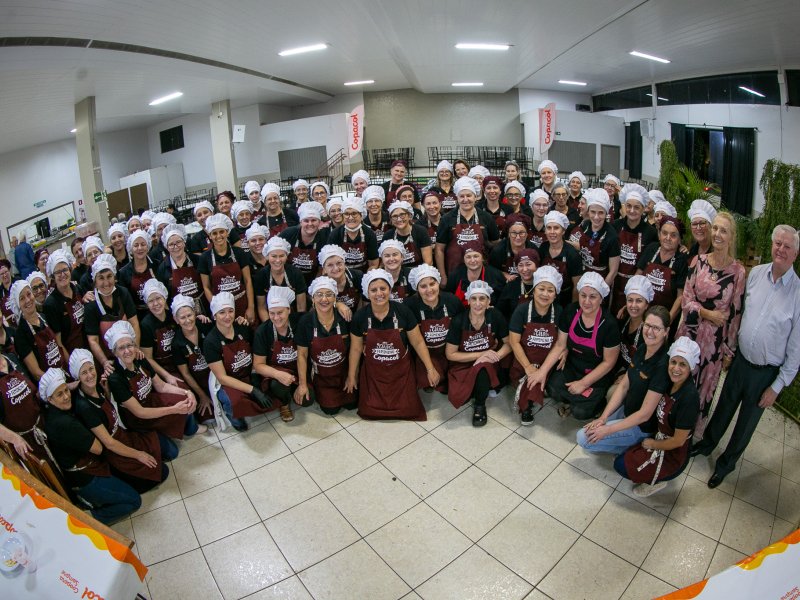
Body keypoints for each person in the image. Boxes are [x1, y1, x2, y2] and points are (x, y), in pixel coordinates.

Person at [692, 225, 800, 489]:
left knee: (745, 424)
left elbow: (797, 350)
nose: (781, 249)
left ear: (795, 254)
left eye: (787, 246)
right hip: (741, 361)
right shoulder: (756, 274)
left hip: (766, 373)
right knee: (724, 408)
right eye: (777, 243)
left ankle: (726, 465)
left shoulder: (798, 294)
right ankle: (707, 444)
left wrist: (777, 387)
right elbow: (739, 314)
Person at [40, 367, 142, 524]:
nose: (67, 396)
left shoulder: (54, 412)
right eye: (60, 394)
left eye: (66, 390)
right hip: (86, 478)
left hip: (88, 465)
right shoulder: (65, 423)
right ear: (49, 399)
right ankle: (89, 518)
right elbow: (98, 448)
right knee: (133, 500)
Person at [676, 211, 745, 437]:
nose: (717, 234)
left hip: (714, 342)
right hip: (690, 332)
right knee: (681, 380)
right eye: (715, 228)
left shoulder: (738, 272)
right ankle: (672, 425)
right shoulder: (699, 262)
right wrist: (708, 313)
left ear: (731, 237)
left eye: (723, 230)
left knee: (703, 387)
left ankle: (690, 434)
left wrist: (729, 350)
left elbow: (735, 314)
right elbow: (687, 299)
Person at [71, 349, 170, 493]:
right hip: (114, 449)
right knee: (162, 472)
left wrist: (106, 393)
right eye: (84, 372)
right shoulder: (85, 407)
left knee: (168, 452)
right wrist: (139, 455)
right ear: (77, 377)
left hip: (123, 435)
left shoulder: (99, 385)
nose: (90, 375)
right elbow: (109, 444)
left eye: (91, 369)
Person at [346, 269, 439, 420]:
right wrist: (352, 375)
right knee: (369, 411)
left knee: (410, 410)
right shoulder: (360, 316)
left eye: (383, 289)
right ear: (367, 293)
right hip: (373, 372)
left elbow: (418, 341)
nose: (379, 293)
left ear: (390, 289)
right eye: (373, 290)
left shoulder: (403, 311)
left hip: (401, 371)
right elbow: (356, 348)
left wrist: (430, 369)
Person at [578, 305, 671, 454]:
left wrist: (608, 430)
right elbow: (623, 387)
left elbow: (645, 414)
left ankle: (631, 448)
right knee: (591, 430)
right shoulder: (642, 349)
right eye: (647, 325)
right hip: (626, 410)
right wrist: (603, 417)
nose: (650, 332)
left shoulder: (662, 366)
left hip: (640, 425)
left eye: (656, 328)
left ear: (666, 332)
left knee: (583, 439)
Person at [615, 337, 701, 497]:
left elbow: (678, 441)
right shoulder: (670, 382)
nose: (676, 368)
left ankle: (659, 481)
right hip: (659, 436)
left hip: (673, 454)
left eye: (683, 364)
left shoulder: (689, 398)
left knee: (620, 465)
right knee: (623, 457)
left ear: (691, 367)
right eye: (673, 362)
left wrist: (654, 444)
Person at [529, 272, 621, 420]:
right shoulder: (571, 311)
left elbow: (608, 363)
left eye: (593, 297)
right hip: (573, 366)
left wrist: (584, 383)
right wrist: (542, 372)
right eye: (583, 295)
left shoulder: (609, 325)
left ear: (601, 298)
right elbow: (560, 345)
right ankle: (572, 399)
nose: (586, 301)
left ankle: (594, 403)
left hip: (595, 373)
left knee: (580, 413)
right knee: (552, 389)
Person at [106, 320, 202, 440]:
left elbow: (161, 386)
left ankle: (189, 429)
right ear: (114, 352)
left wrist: (188, 392)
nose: (127, 351)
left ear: (135, 346)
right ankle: (160, 433)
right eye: (121, 348)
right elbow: (140, 412)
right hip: (137, 419)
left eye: (129, 345)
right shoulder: (115, 378)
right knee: (172, 452)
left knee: (184, 396)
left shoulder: (140, 358)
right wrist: (174, 409)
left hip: (150, 400)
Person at [445, 280, 512, 426]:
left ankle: (480, 406)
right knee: (457, 396)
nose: (478, 303)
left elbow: (509, 343)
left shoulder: (495, 316)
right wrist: (481, 354)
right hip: (463, 364)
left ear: (488, 301)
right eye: (474, 299)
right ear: (468, 301)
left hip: (489, 363)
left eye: (482, 298)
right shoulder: (459, 320)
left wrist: (495, 356)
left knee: (482, 369)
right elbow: (450, 354)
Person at [204, 292, 272, 431]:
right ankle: (234, 417)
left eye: (230, 311)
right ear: (214, 315)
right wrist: (253, 390)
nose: (227, 316)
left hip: (248, 374)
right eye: (222, 312)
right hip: (228, 382)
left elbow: (255, 353)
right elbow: (222, 378)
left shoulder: (243, 327)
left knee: (271, 386)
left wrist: (254, 376)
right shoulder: (210, 342)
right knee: (233, 401)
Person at [294, 276, 357, 414]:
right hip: (321, 376)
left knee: (352, 404)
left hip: (343, 373)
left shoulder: (344, 318)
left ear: (335, 298)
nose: (324, 299)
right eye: (319, 295)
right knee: (330, 410)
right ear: (313, 298)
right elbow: (302, 355)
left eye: (329, 294)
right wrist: (303, 384)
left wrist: (351, 376)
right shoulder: (306, 322)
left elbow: (355, 349)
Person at [508, 266, 563, 425]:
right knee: (530, 380)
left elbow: (561, 342)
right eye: (541, 289)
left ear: (556, 293)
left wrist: (543, 369)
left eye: (550, 290)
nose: (545, 294)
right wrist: (528, 367)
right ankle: (527, 406)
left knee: (555, 385)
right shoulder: (522, 310)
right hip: (524, 360)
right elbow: (514, 341)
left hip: (548, 362)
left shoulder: (559, 311)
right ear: (534, 289)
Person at [406, 264, 462, 393]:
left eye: (432, 284)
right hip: (425, 353)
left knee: (456, 387)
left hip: (449, 351)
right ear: (417, 288)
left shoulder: (452, 301)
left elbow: (463, 325)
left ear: (438, 283)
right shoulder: (410, 306)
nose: (429, 289)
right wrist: (430, 368)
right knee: (426, 380)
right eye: (423, 286)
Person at [83, 254, 140, 374]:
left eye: (109, 276)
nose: (106, 282)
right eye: (101, 278)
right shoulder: (91, 305)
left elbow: (134, 323)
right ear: (95, 281)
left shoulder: (123, 293)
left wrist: (135, 348)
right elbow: (93, 340)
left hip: (130, 352)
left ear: (114, 277)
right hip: (110, 360)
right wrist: (105, 362)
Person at [435, 176, 501, 279]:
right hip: (454, 273)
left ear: (475, 197)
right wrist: (442, 275)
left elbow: (496, 243)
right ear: (457, 198)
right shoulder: (446, 219)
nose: (465, 199)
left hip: (482, 273)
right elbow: (439, 249)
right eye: (462, 196)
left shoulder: (486, 217)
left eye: (469, 195)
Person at [252, 287, 300, 423]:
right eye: (272, 313)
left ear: (289, 310)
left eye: (280, 313)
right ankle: (284, 404)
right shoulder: (263, 331)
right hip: (276, 370)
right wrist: (279, 375)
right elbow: (258, 365)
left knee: (309, 400)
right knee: (277, 386)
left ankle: (295, 389)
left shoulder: (299, 322)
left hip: (298, 367)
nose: (276, 318)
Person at [199, 213, 256, 322]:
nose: (218, 236)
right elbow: (206, 287)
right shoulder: (204, 258)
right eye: (214, 233)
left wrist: (251, 307)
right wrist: (216, 307)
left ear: (227, 233)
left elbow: (248, 281)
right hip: (221, 309)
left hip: (241, 303)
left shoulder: (239, 253)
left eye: (221, 232)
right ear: (210, 236)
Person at [611, 184, 657, 314]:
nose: (632, 210)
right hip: (614, 281)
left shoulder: (651, 232)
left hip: (637, 286)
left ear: (643, 209)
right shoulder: (615, 226)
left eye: (637, 207)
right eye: (629, 206)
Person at [9, 279, 68, 381]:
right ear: (18, 305)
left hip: (64, 372)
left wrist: (72, 367)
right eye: (22, 298)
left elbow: (60, 346)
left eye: (29, 294)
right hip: (50, 385)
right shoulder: (21, 334)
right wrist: (59, 383)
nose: (28, 300)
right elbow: (36, 372)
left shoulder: (44, 317)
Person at [636, 215, 688, 329]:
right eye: (664, 233)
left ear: (679, 239)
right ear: (659, 235)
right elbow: (637, 278)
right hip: (642, 312)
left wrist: (666, 321)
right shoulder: (651, 248)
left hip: (665, 319)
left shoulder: (682, 259)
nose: (668, 238)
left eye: (673, 235)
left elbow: (680, 297)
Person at [170, 295, 214, 425]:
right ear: (176, 320)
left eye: (189, 315)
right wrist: (202, 396)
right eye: (182, 318)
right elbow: (186, 374)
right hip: (198, 382)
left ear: (195, 314)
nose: (187, 320)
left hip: (215, 376)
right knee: (208, 418)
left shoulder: (205, 326)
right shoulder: (176, 343)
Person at [572, 188, 621, 290]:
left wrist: (601, 291)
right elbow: (584, 247)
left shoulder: (612, 237)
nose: (596, 217)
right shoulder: (585, 225)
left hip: (600, 280)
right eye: (593, 212)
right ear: (588, 211)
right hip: (582, 275)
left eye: (601, 213)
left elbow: (613, 271)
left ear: (606, 213)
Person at [139, 279, 184, 383]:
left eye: (158, 298)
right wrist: (167, 376)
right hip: (162, 370)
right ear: (146, 303)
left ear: (164, 297)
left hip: (180, 363)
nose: (155, 303)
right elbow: (148, 358)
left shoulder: (173, 316)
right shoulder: (146, 325)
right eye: (150, 301)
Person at [156, 223, 206, 315]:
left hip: (203, 310)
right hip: (180, 314)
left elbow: (207, 285)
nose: (176, 247)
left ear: (184, 242)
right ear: (166, 247)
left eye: (178, 242)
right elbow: (164, 297)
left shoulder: (197, 260)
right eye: (171, 244)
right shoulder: (162, 268)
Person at [43, 250, 86, 355]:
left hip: (89, 343)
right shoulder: (51, 304)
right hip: (73, 354)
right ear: (53, 276)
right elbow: (59, 343)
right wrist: (70, 365)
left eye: (65, 270)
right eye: (58, 272)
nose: (62, 275)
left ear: (70, 270)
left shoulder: (77, 288)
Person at [254, 237, 308, 322]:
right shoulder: (261, 275)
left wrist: (297, 326)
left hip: (293, 317)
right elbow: (262, 308)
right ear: (267, 256)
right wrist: (271, 327)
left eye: (282, 256)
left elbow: (301, 307)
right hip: (271, 318)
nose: (278, 260)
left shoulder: (296, 274)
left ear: (287, 256)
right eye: (274, 256)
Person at [278, 201, 329, 284]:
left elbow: (322, 268)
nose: (310, 224)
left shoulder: (324, 238)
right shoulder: (288, 234)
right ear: (301, 222)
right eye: (306, 221)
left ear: (319, 222)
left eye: (313, 220)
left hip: (314, 281)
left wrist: (314, 287)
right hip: (288, 280)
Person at [538, 211, 582, 307]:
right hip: (544, 297)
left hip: (565, 299)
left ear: (563, 231)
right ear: (545, 231)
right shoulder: (543, 248)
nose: (552, 232)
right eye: (549, 228)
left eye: (556, 228)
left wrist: (572, 308)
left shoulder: (572, 254)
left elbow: (576, 285)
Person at [326, 198, 379, 271]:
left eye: (354, 213)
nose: (350, 218)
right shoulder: (335, 234)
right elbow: (331, 263)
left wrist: (366, 279)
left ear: (361, 215)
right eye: (347, 214)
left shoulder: (369, 233)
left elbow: (373, 264)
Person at [445, 243, 506, 307]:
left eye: (476, 256)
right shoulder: (455, 275)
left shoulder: (496, 276)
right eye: (468, 257)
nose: (472, 260)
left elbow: (502, 302)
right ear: (463, 259)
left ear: (483, 258)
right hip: (461, 314)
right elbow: (448, 299)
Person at [616, 275, 655, 372]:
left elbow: (647, 367)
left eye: (639, 301)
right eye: (630, 300)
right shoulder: (622, 319)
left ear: (646, 305)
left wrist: (627, 376)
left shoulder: (649, 331)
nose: (633, 305)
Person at [117, 229, 158, 320]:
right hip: (137, 317)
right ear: (131, 249)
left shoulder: (157, 265)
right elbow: (125, 301)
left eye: (143, 244)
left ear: (148, 247)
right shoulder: (123, 273)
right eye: (136, 245)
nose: (140, 248)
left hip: (159, 312)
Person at [382, 200, 433, 267]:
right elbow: (386, 263)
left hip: (419, 273)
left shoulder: (420, 231)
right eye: (395, 216)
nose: (399, 219)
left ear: (409, 215)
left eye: (402, 215)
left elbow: (428, 262)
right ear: (391, 220)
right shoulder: (388, 236)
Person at [489, 214, 536, 279]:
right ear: (508, 234)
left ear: (527, 234)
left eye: (521, 233)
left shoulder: (534, 250)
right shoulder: (498, 251)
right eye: (514, 233)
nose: (518, 237)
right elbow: (491, 270)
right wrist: (504, 275)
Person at [497, 249, 540, 318]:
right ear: (517, 268)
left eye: (528, 264)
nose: (525, 269)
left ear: (537, 266)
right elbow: (500, 311)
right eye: (520, 265)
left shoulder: (543, 285)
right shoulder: (511, 285)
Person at [319, 244, 363, 313]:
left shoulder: (357, 276)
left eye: (339, 263)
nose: (336, 268)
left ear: (344, 264)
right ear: (324, 269)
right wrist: (337, 304)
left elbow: (364, 300)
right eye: (330, 265)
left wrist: (357, 318)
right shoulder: (320, 284)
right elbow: (317, 305)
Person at [687, 199, 717, 270]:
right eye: (694, 224)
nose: (698, 228)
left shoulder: (716, 251)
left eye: (702, 223)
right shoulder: (693, 249)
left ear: (710, 226)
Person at [0, 259, 17, 327]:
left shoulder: (18, 283)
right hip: (10, 325)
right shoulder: (0, 292)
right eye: (1, 274)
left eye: (6, 272)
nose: (4, 275)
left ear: (9, 271)